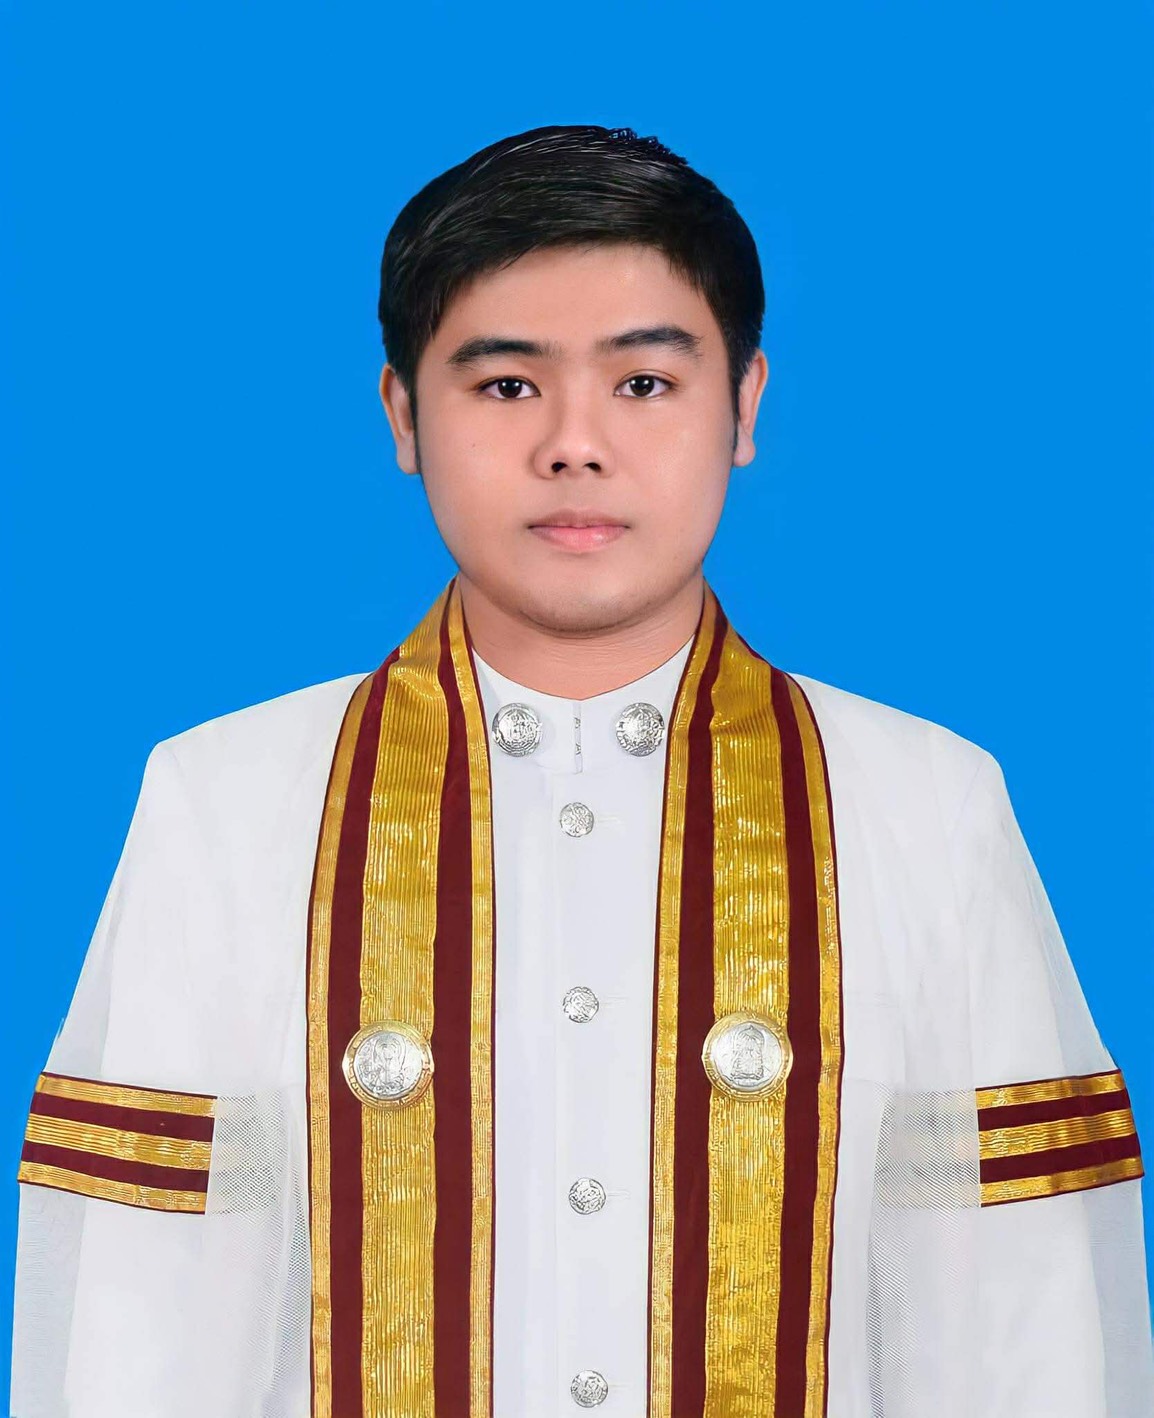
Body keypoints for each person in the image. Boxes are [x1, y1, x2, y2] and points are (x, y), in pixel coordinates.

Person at [9, 123, 1153, 1418]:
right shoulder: (222, 803)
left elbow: (1012, 1328)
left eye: (643, 383)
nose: (574, 444)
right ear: (402, 413)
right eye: (506, 386)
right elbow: (139, 1325)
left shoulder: (925, 805)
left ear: (744, 405)